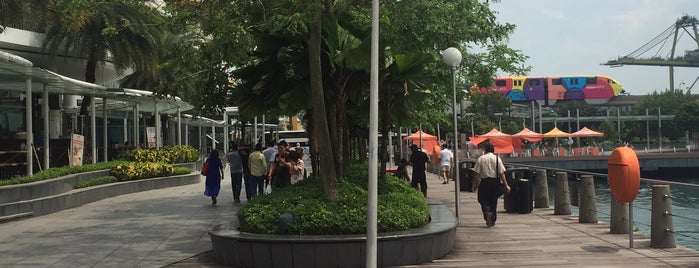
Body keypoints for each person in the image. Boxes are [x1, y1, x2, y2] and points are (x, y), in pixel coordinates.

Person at [472, 143, 510, 227]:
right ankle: (492, 219)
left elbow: (476, 173)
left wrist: (475, 184)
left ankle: (487, 212)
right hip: (495, 182)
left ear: (485, 150)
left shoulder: (481, 158)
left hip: (484, 181)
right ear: (493, 150)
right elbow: (501, 173)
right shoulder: (497, 158)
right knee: (493, 201)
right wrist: (506, 185)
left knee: (482, 199)